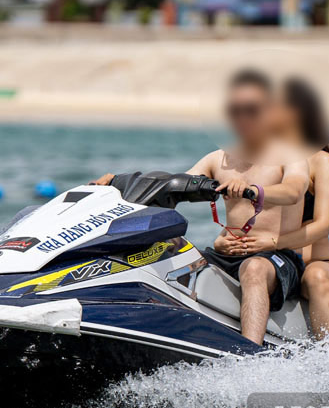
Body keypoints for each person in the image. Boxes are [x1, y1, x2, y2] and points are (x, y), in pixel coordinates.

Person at [92, 69, 310, 346]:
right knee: (167, 250)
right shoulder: (218, 159)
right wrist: (118, 183)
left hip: (276, 257)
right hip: (226, 254)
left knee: (254, 269)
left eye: (251, 110)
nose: (242, 118)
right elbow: (172, 185)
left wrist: (253, 190)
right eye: (235, 111)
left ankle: (251, 354)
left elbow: (294, 190)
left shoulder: (290, 156)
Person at [238, 77, 329, 339]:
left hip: (314, 264)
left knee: (317, 278)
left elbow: (322, 225)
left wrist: (273, 242)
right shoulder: (259, 158)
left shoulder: (320, 161)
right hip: (271, 262)